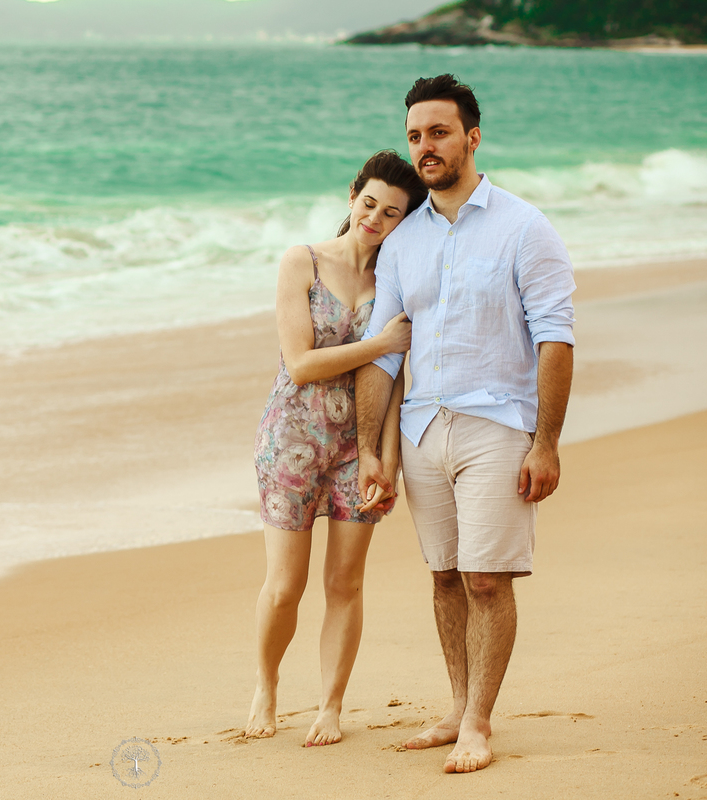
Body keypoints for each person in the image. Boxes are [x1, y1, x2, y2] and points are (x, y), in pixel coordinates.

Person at [354, 74, 575, 774]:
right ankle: (455, 707)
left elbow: (556, 338)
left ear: (472, 137)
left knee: (486, 579)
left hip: (499, 425)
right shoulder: (402, 241)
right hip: (422, 430)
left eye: (439, 132)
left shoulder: (524, 226)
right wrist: (370, 452)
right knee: (445, 575)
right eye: (415, 135)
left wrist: (547, 442)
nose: (425, 146)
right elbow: (385, 353)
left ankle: (479, 722)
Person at [245, 150, 427, 747]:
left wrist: (389, 461)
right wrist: (379, 341)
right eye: (370, 203)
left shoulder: (394, 283)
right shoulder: (303, 260)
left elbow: (395, 381)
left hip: (360, 448)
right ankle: (267, 685)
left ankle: (330, 706)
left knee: (345, 583)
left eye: (393, 213)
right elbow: (299, 365)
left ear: (406, 221)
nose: (376, 218)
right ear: (353, 196)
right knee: (285, 586)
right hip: (292, 440)